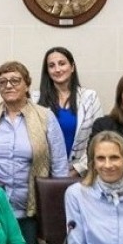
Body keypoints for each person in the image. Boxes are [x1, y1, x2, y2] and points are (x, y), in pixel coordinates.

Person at [0, 61, 69, 244]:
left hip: (30, 212)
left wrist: (55, 208)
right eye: (2, 81)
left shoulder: (45, 117)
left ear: (27, 85)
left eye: (15, 80)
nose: (8, 85)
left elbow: (59, 166)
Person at [34, 47, 102, 175]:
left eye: (62, 63)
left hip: (82, 173)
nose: (57, 69)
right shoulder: (34, 99)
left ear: (72, 67)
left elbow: (99, 138)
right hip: (44, 173)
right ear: (47, 71)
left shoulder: (90, 97)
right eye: (51, 66)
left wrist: (78, 169)